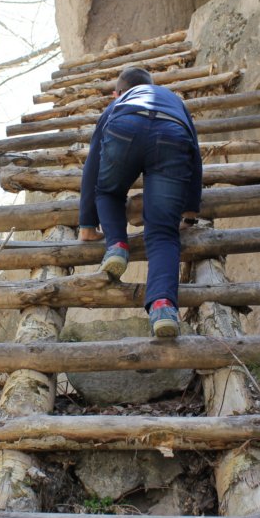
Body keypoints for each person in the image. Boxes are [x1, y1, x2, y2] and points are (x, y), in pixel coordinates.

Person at [78, 67, 202, 338]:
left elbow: (92, 167)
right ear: (152, 85)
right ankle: (163, 307)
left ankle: (117, 246)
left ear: (116, 92)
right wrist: (190, 212)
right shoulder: (172, 100)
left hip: (126, 125)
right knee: (163, 233)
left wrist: (87, 223)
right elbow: (195, 153)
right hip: (172, 133)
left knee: (108, 191)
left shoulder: (119, 103)